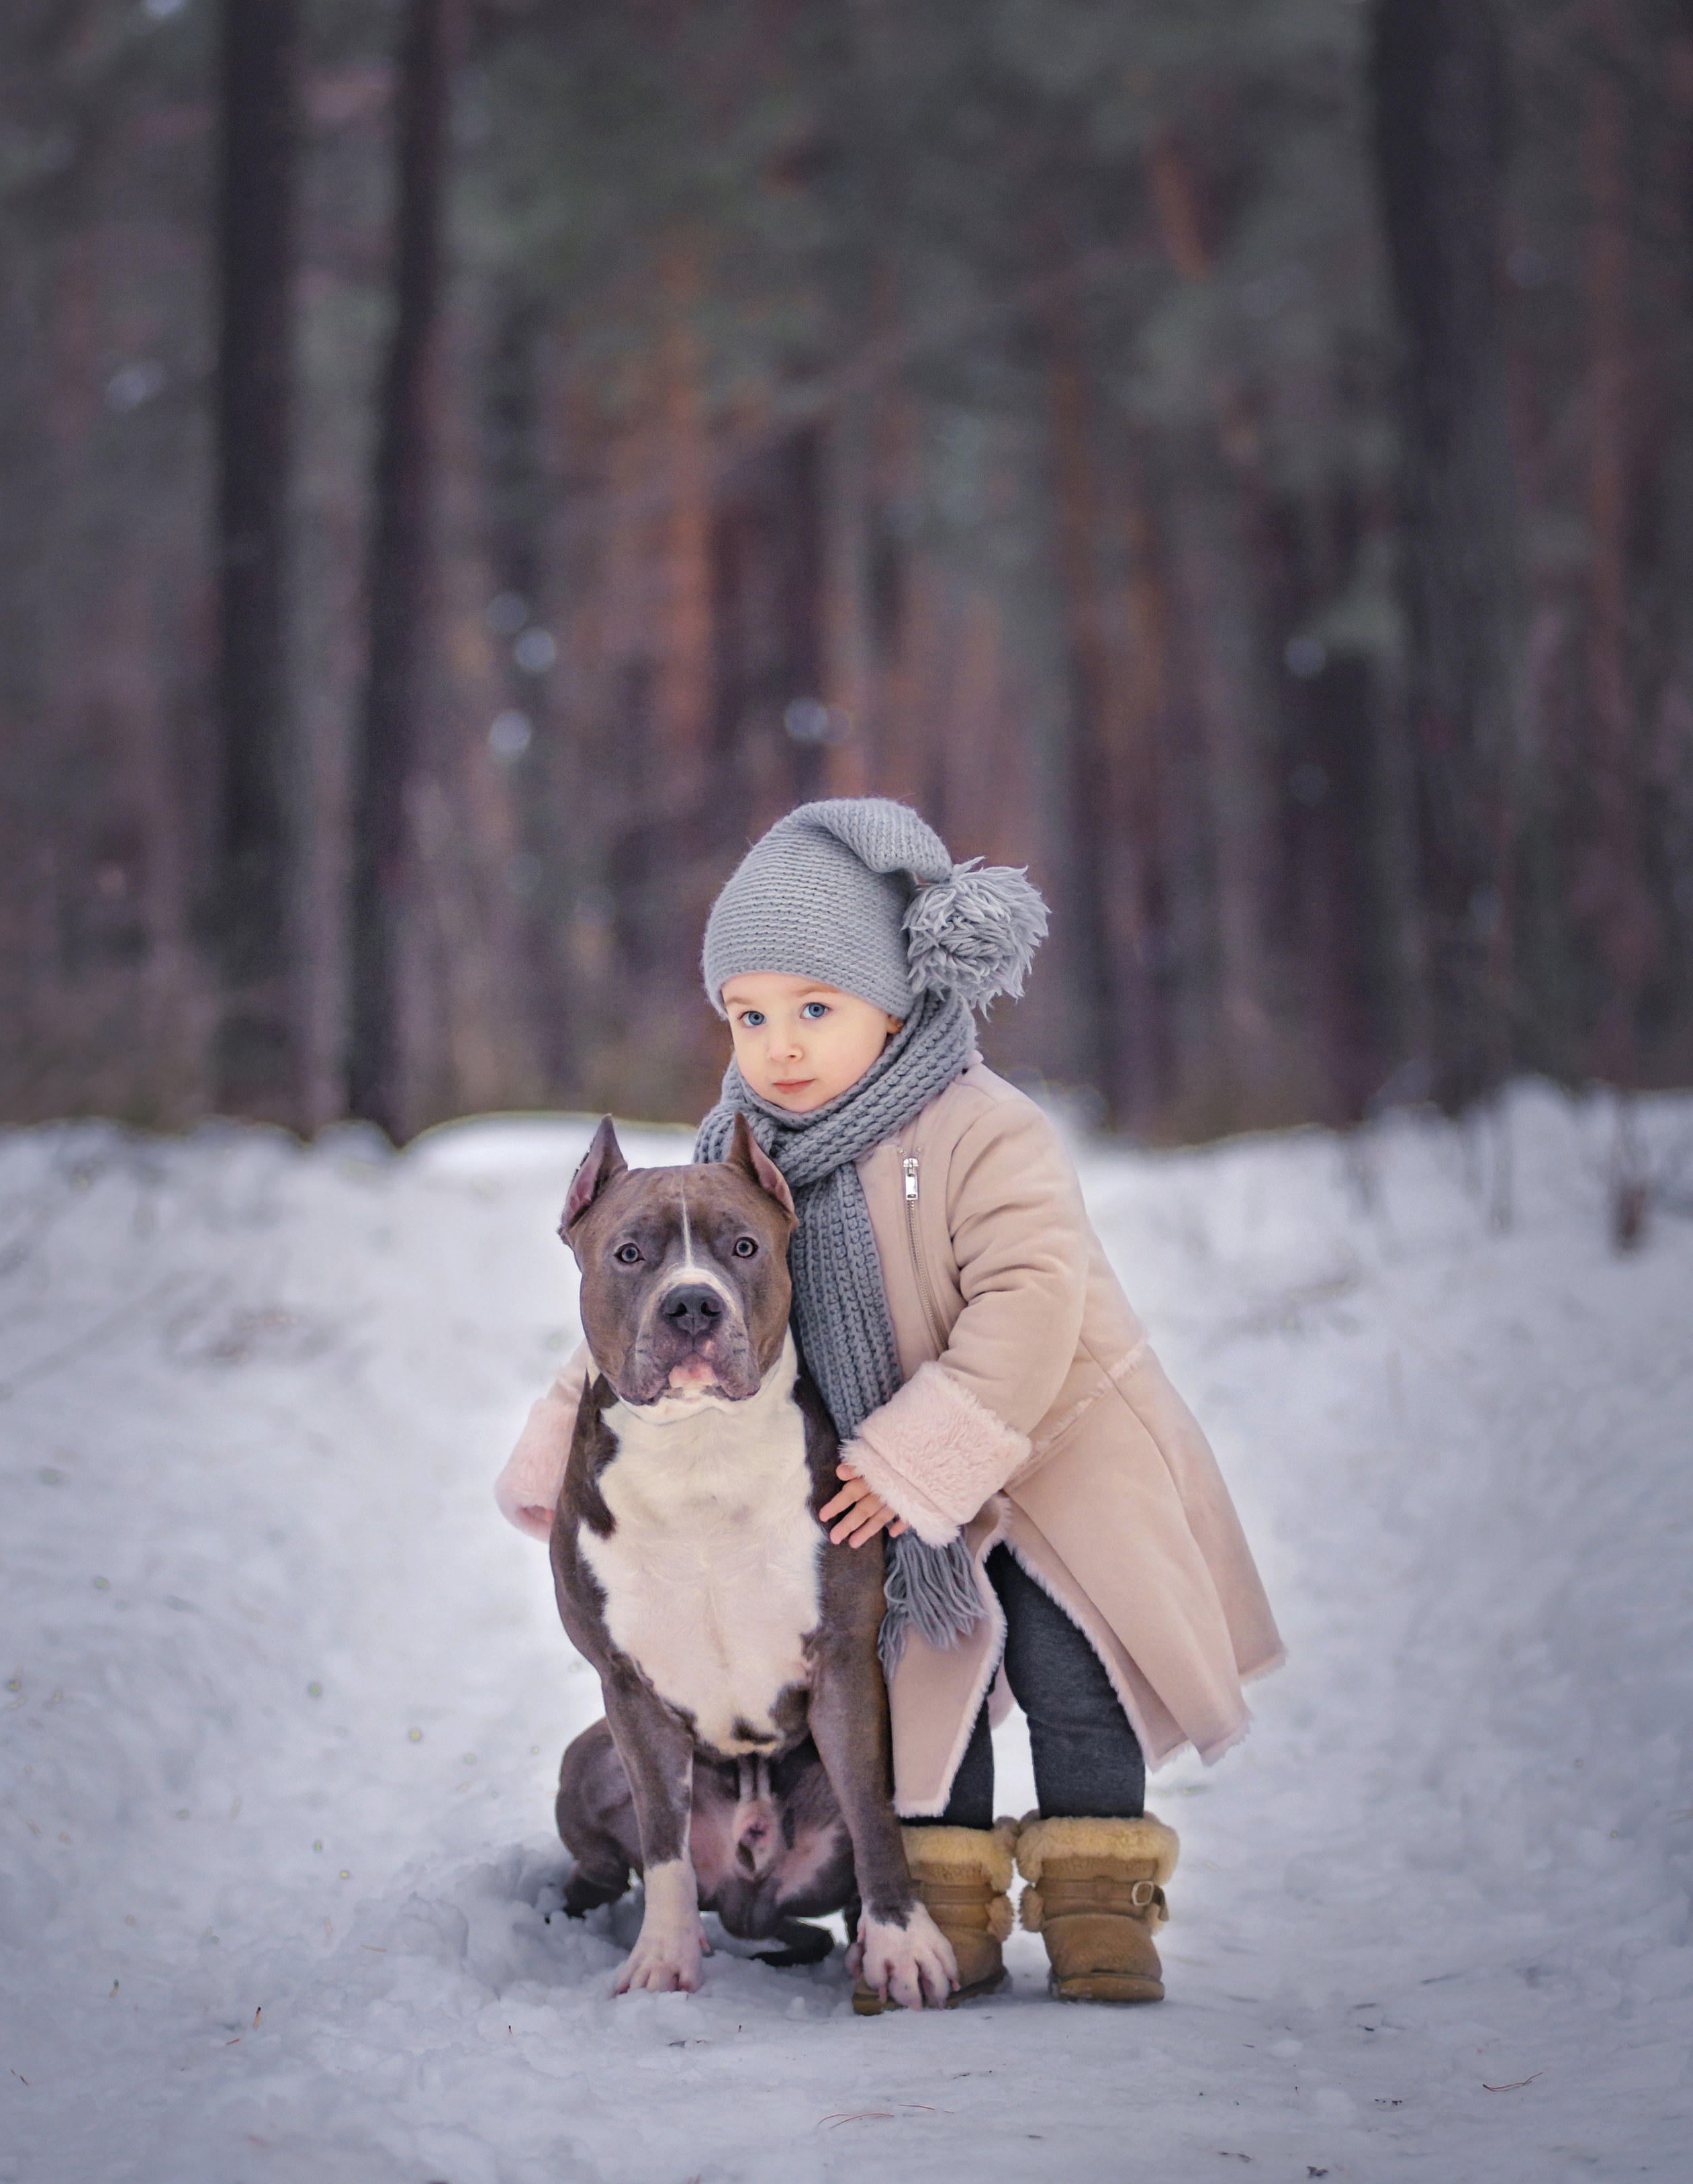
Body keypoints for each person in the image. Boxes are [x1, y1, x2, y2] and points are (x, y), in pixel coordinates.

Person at [498, 798, 1283, 2006]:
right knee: (928, 1687)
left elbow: (1034, 1301)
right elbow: (646, 1305)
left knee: (1074, 1674)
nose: (782, 1046)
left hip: (1052, 1458)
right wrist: (564, 1435)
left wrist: (920, 1456)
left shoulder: (985, 1128)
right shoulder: (741, 1143)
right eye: (750, 1016)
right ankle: (942, 1906)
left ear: (896, 999)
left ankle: (1099, 1901)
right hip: (897, 1487)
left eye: (814, 1009)